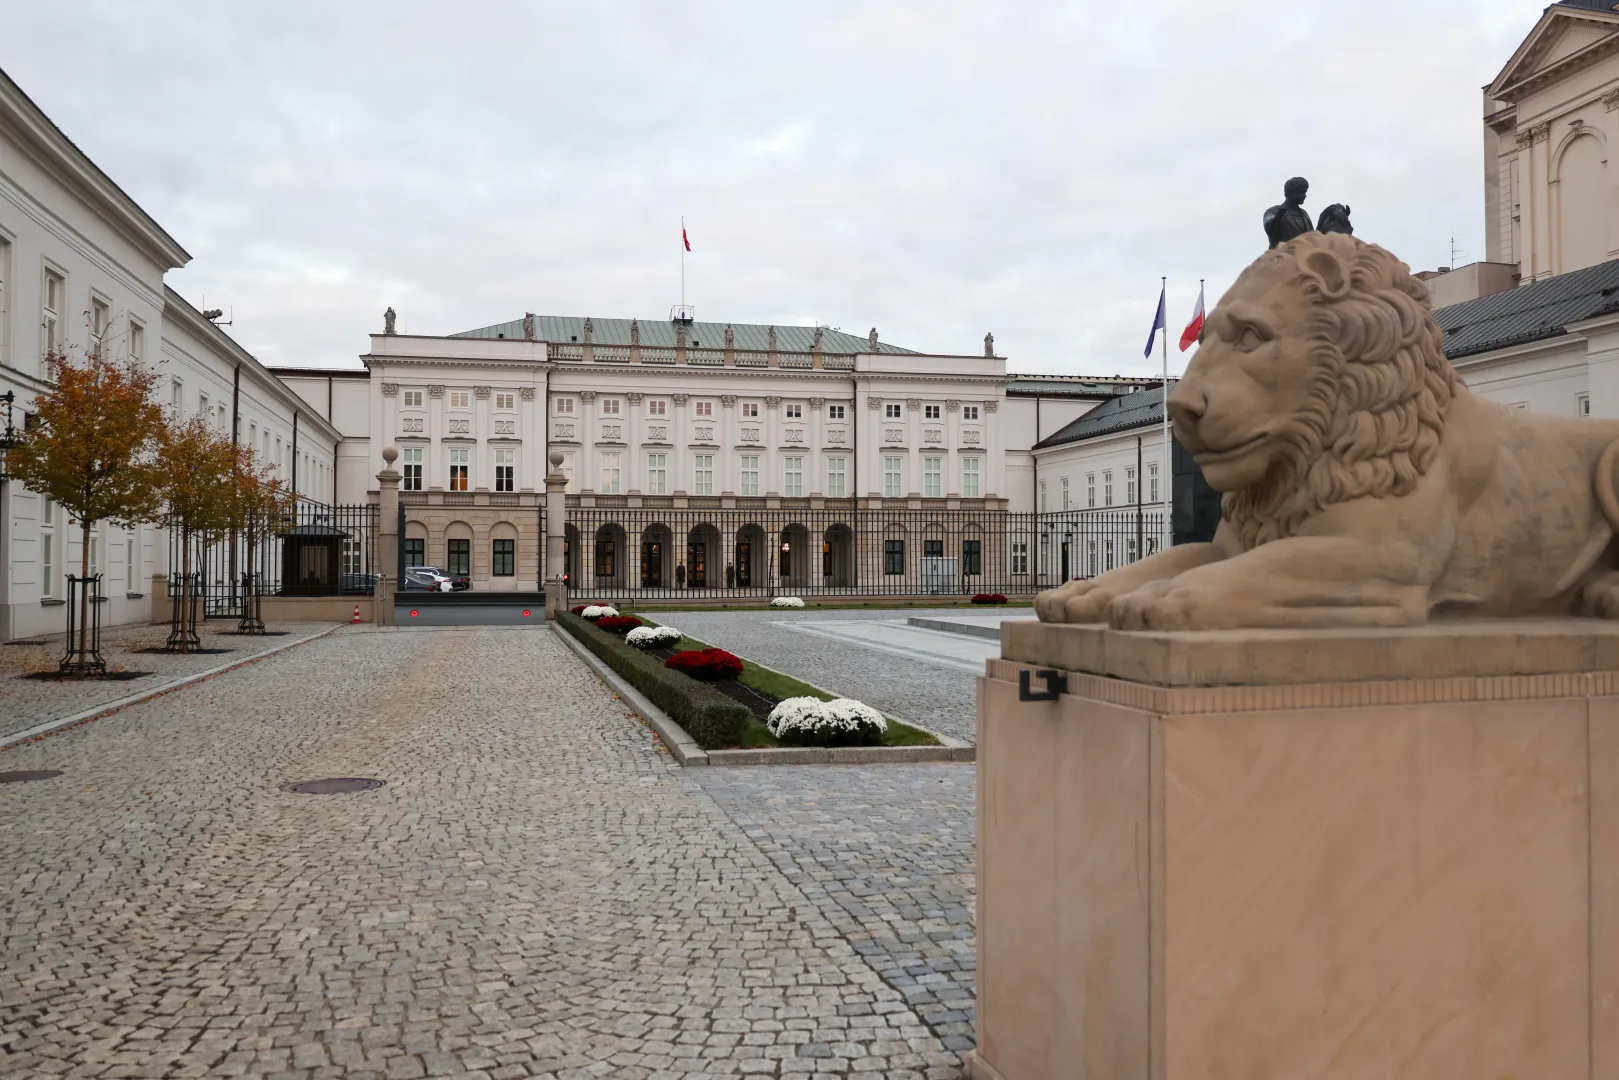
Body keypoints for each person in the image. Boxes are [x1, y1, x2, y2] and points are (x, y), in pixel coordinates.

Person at [1263, 177, 1314, 249]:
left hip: (1303, 256)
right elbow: (1269, 225)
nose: (1305, 196)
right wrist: (1276, 219)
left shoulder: (1304, 214)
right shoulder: (1273, 211)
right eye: (1302, 192)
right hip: (1281, 257)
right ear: (1292, 193)